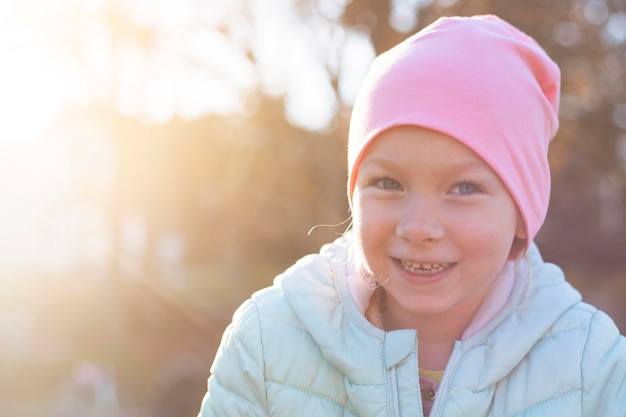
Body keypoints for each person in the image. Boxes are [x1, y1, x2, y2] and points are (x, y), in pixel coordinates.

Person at [197, 14, 626, 417]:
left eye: (464, 188)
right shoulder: (266, 343)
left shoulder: (592, 366)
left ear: (522, 212)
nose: (418, 227)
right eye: (388, 183)